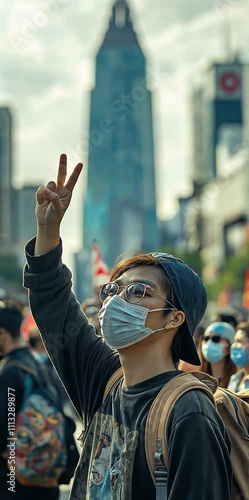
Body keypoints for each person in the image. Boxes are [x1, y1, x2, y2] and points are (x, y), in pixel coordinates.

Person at [23, 154, 232, 499]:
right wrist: (48, 232)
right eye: (112, 290)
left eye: (138, 292)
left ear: (173, 318)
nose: (115, 301)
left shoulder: (189, 413)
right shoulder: (105, 381)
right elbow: (54, 307)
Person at [0, 302, 60, 500]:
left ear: (2, 333)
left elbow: (5, 426)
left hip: (15, 480)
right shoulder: (38, 363)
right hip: (44, 471)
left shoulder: (10, 371)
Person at [198, 322, 236, 388]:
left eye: (216, 339)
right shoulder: (197, 378)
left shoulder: (236, 381)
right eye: (206, 338)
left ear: (229, 345)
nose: (209, 343)